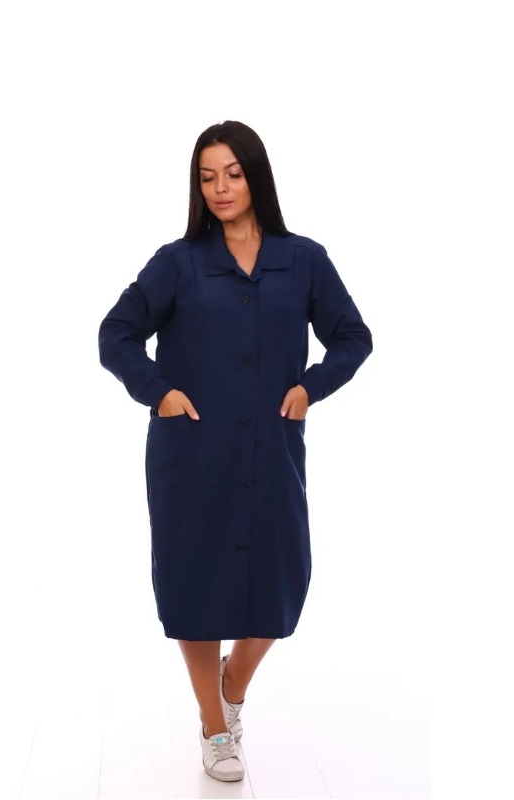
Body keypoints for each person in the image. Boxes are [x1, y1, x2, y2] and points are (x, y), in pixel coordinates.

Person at [98, 120, 373, 782]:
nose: (220, 187)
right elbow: (116, 333)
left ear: (256, 177)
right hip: (192, 454)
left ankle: (233, 682)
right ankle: (215, 728)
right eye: (206, 177)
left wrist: (310, 388)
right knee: (196, 586)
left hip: (272, 452)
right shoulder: (178, 262)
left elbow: (353, 336)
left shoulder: (303, 259)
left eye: (233, 173)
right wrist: (158, 392)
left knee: (282, 583)